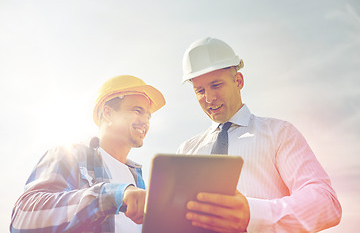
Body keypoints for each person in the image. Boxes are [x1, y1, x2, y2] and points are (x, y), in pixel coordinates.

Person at [177, 37, 342, 232]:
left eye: (216, 85)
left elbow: (326, 202)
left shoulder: (279, 134)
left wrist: (251, 214)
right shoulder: (186, 151)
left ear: (238, 81)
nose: (209, 98)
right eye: (200, 90)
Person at [10, 75, 165, 232]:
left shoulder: (137, 179)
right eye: (137, 110)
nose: (146, 121)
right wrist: (109, 196)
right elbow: (23, 218)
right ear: (108, 113)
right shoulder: (69, 155)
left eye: (148, 116)